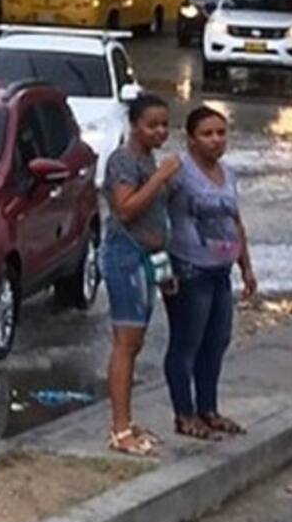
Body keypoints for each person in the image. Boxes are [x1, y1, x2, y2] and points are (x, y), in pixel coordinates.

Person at [163, 106, 256, 440]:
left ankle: (208, 409)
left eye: (221, 133)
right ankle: (184, 414)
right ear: (190, 139)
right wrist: (162, 267)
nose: (216, 140)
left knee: (216, 341)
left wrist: (246, 267)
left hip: (221, 270)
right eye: (207, 134)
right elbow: (155, 216)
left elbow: (235, 221)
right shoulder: (178, 172)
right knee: (187, 342)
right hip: (189, 269)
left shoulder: (228, 174)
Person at [102, 93, 181, 456]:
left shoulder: (148, 159)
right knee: (125, 343)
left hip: (149, 258)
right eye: (152, 125)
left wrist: (164, 266)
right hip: (125, 257)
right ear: (134, 125)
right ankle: (119, 429)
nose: (160, 132)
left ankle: (127, 419)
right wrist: (161, 177)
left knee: (136, 343)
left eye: (164, 125)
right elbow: (126, 209)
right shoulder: (124, 160)